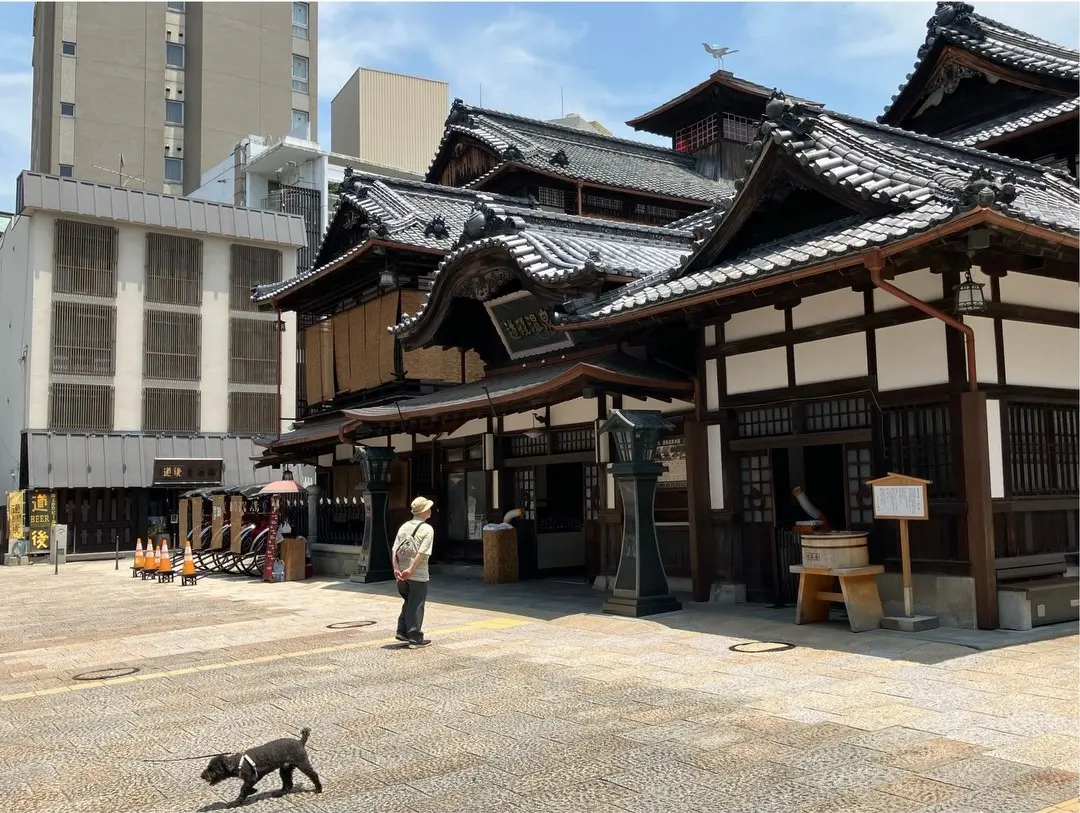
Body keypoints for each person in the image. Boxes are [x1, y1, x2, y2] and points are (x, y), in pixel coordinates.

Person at [392, 496, 435, 648]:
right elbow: (422, 553)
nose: (430, 510)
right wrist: (411, 569)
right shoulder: (427, 529)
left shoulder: (404, 526)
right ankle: (415, 637)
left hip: (401, 574)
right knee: (416, 604)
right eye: (428, 508)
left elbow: (394, 549)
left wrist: (396, 569)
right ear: (424, 511)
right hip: (418, 574)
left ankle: (402, 630)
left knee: (408, 601)